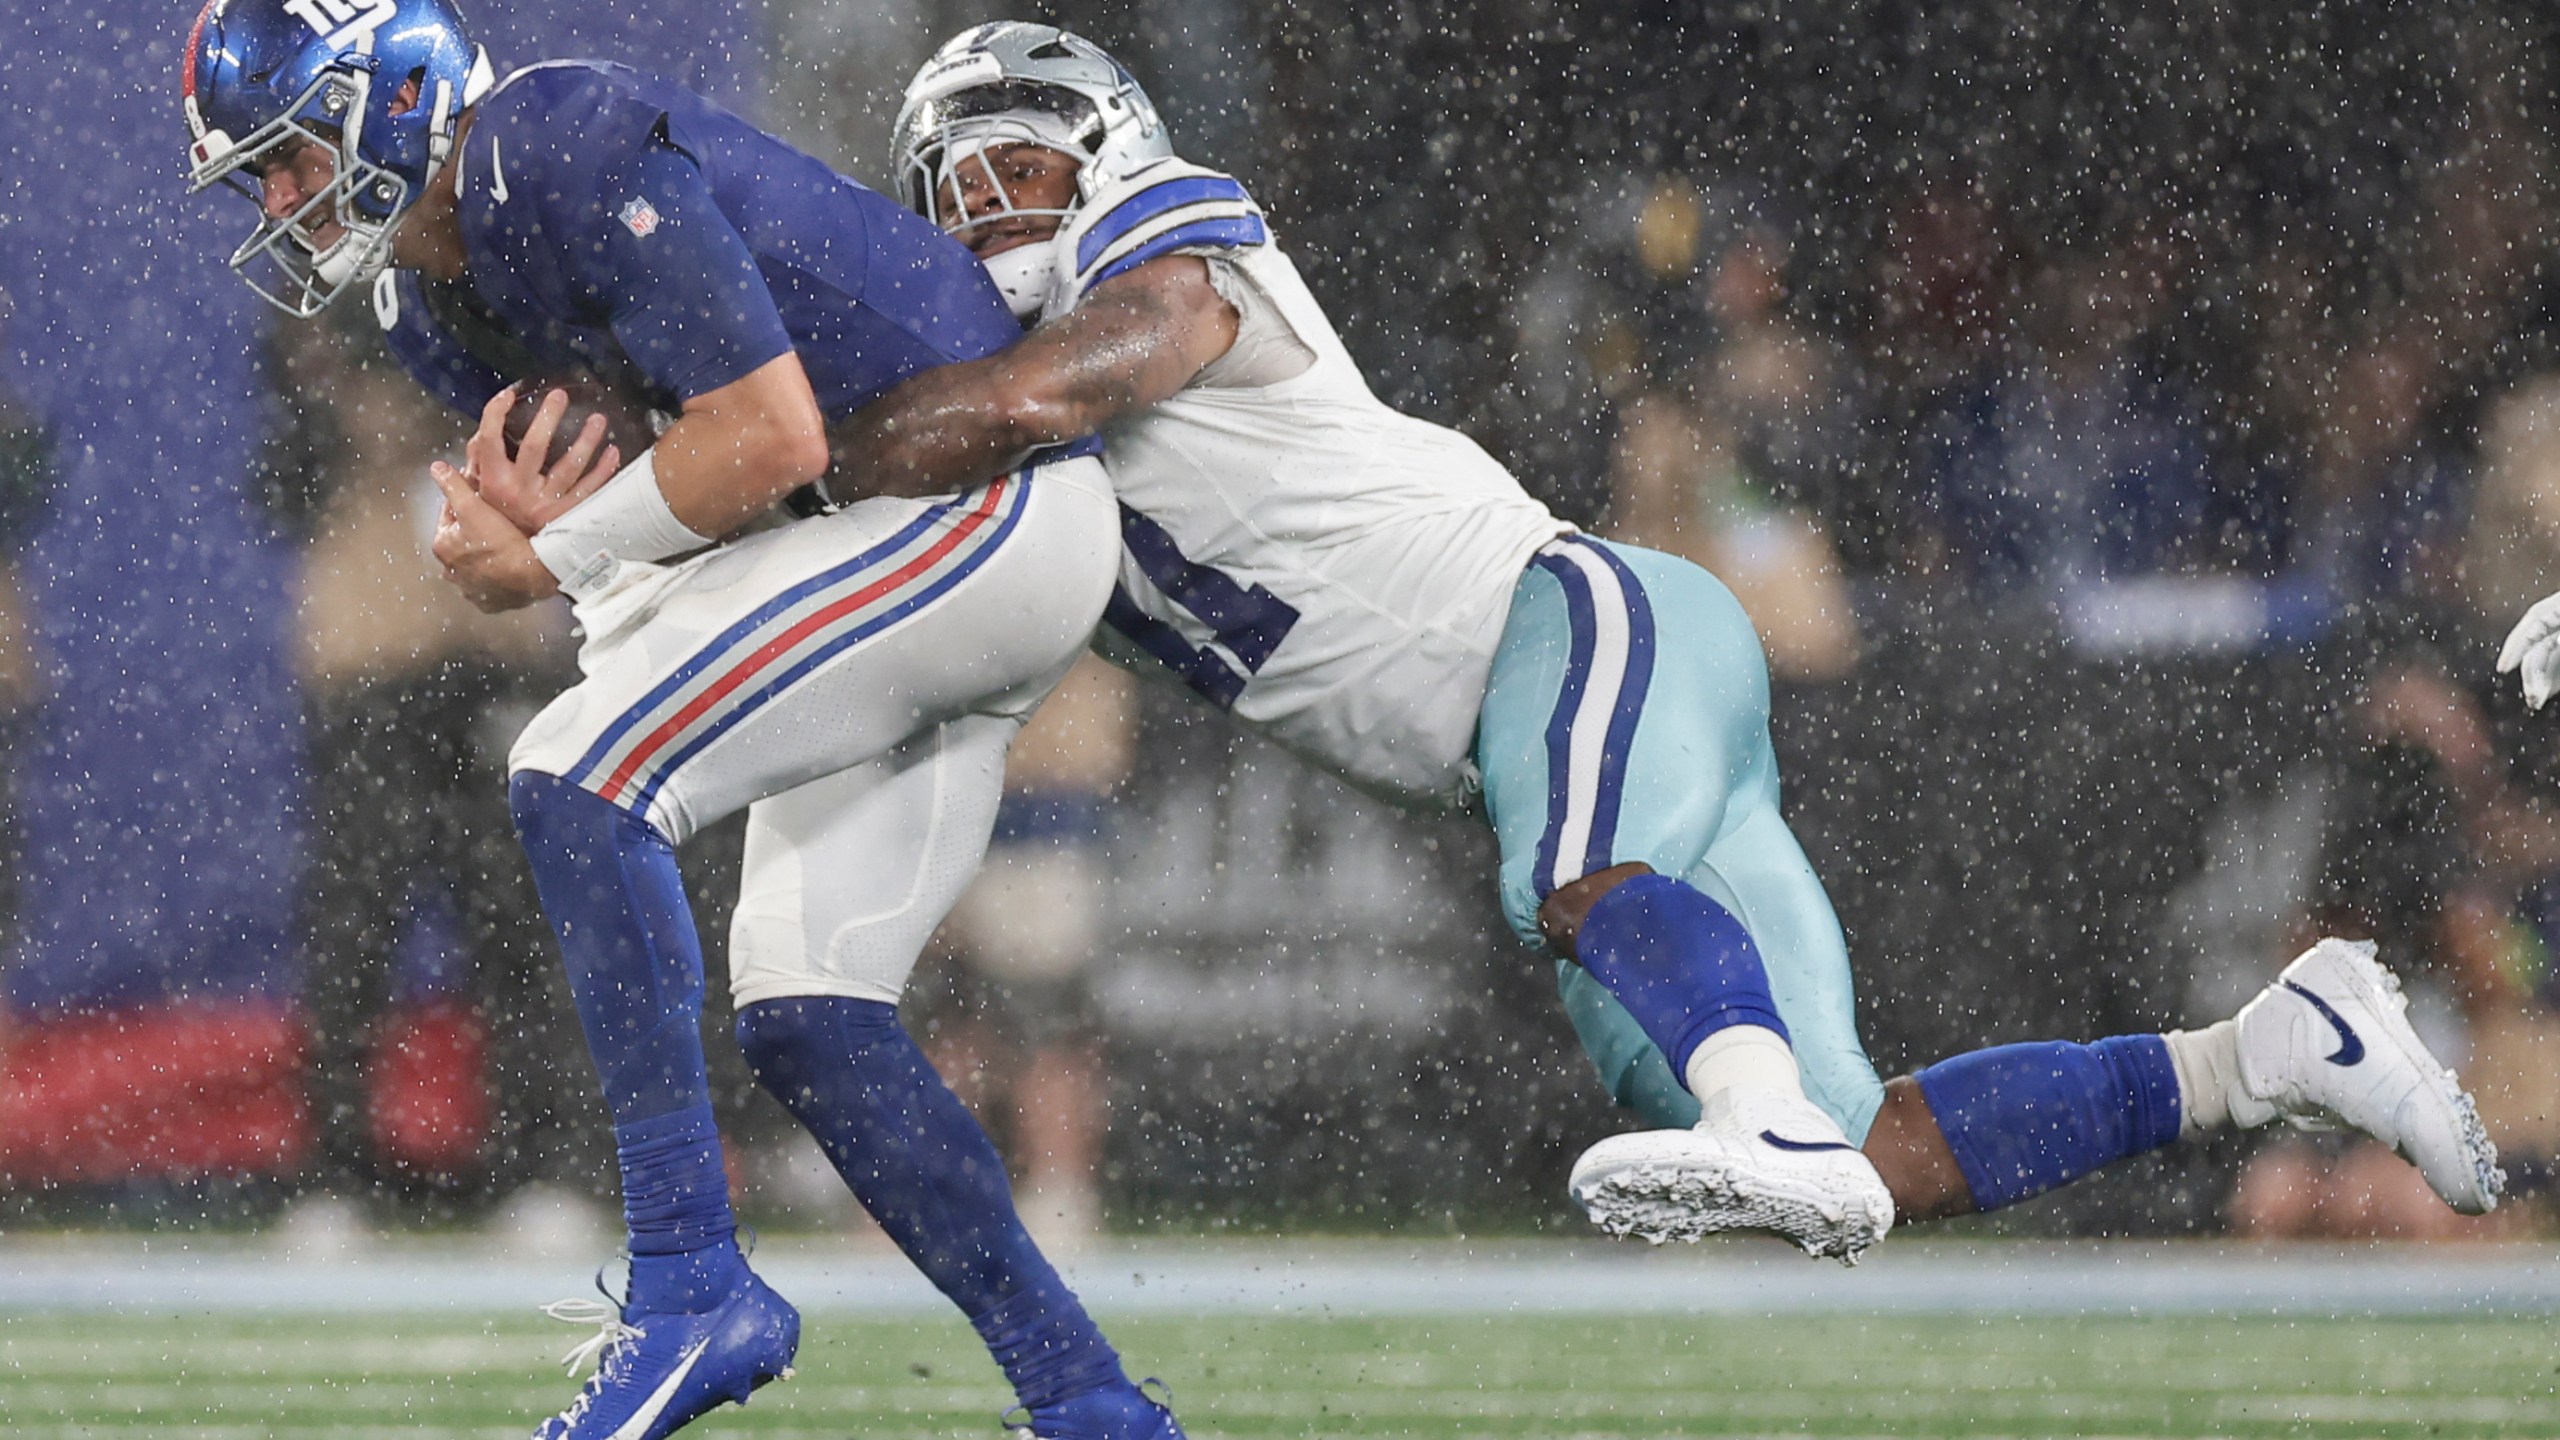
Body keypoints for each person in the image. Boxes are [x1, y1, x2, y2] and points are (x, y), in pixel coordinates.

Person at [815, 22, 2505, 1260]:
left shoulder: (1165, 253)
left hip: (1585, 619)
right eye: (951, 196)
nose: (987, 221)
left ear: (1107, 154)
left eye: (1017, 172)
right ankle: (2270, 1050)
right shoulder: (1010, 476)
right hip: (1575, 725)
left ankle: (1750, 1104)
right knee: (1865, 1153)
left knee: (1582, 897)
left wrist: (814, 435)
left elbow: (1086, 365)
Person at [181, 4, 1181, 1438]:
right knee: (808, 1014)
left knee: (573, 770)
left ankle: (688, 1283)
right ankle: (1088, 1399)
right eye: (258, 180)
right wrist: (551, 547)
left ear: (392, 94)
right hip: (864, 550)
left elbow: (772, 436)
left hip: (979, 505)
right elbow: (689, 521)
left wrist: (554, 553)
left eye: (288, 159)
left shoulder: (557, 136)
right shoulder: (420, 301)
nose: (281, 203)